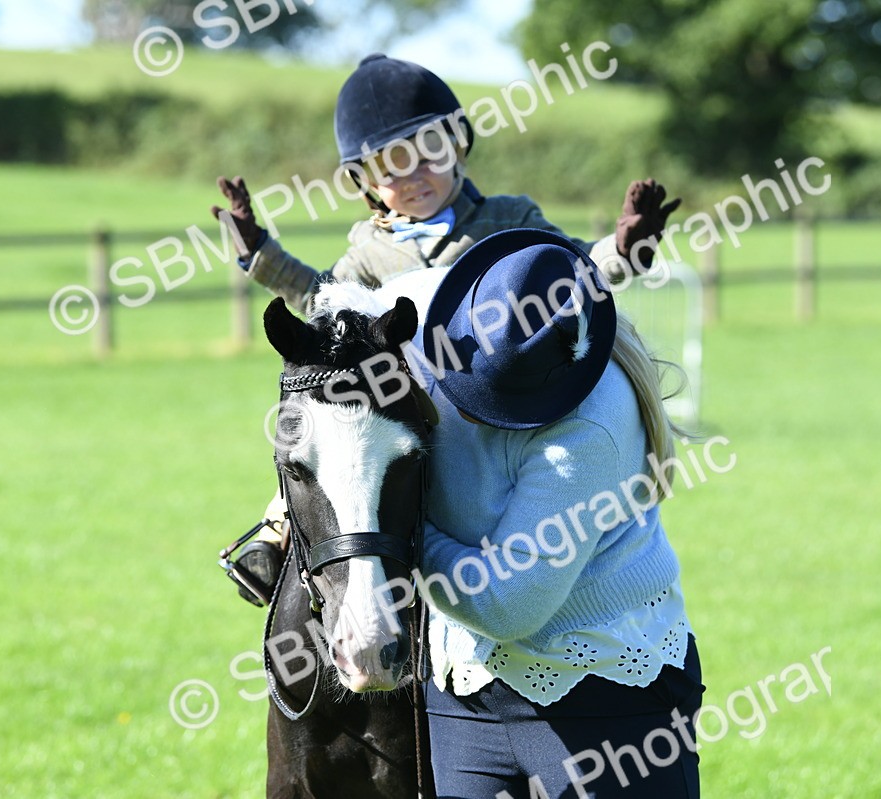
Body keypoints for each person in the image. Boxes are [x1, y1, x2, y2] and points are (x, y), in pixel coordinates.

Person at [214, 53, 681, 602]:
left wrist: (625, 249)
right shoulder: (367, 249)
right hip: (404, 410)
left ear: (458, 145)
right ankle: (278, 532)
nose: (413, 178)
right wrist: (262, 255)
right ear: (365, 181)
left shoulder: (507, 218)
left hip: (493, 407)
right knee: (320, 429)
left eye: (429, 153)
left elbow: (573, 274)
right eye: (390, 165)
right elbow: (324, 304)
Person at [386, 228, 702, 796]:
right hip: (465, 685)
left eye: (501, 401)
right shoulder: (439, 318)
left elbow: (508, 603)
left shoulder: (593, 423)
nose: (472, 410)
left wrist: (401, 537)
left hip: (605, 696)